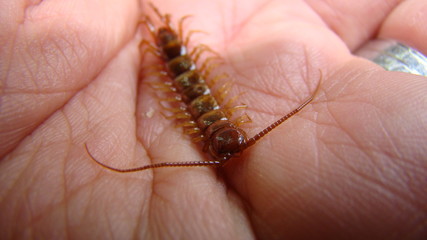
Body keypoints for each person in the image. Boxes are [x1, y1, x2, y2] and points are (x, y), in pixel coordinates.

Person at [0, 0, 426, 239]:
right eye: (230, 143)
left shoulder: (212, 124)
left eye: (225, 145)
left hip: (183, 72)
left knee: (184, 76)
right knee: (180, 70)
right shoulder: (206, 120)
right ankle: (161, 31)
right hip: (178, 62)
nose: (232, 149)